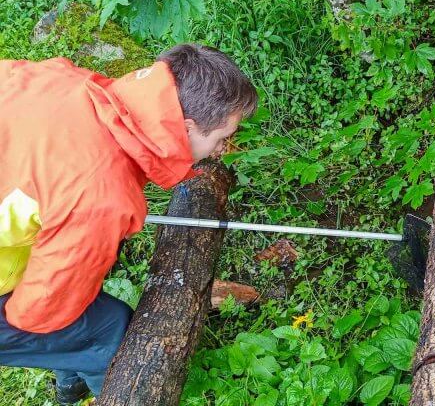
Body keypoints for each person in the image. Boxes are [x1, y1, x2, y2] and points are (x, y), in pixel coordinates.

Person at [0, 44, 257, 404]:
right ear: (186, 126)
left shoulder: (65, 81)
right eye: (220, 138)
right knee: (109, 331)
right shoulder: (99, 195)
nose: (222, 149)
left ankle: (69, 378)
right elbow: (42, 311)